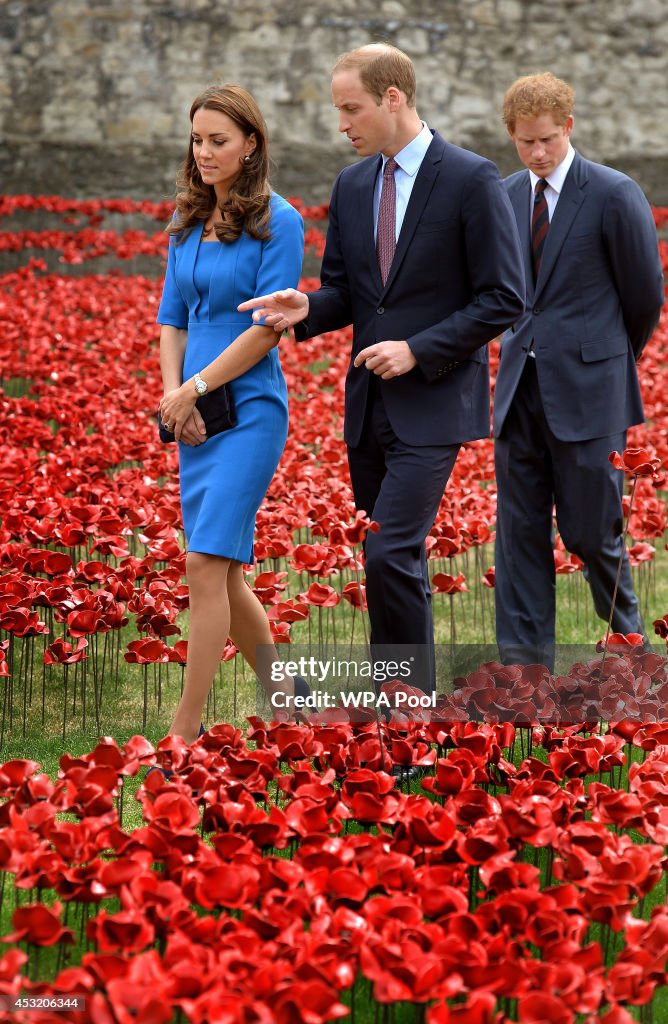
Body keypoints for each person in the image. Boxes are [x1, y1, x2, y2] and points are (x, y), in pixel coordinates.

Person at [239, 43, 525, 694]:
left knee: (389, 551)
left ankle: (406, 708)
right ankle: (394, 716)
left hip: (434, 403)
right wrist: (305, 305)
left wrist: (418, 348)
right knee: (390, 561)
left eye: (352, 108)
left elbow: (504, 298)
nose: (343, 124)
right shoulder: (352, 183)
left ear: (392, 99)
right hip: (367, 409)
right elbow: (347, 291)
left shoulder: (471, 178)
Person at [493, 72, 664, 672]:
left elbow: (644, 296)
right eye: (524, 143)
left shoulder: (615, 193)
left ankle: (632, 651)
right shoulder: (508, 195)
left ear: (568, 126)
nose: (538, 154)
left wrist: (605, 359)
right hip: (518, 392)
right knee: (516, 542)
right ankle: (521, 677)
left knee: (594, 534)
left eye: (546, 140)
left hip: (592, 394)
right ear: (511, 137)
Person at [156, 84, 307, 743]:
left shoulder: (280, 222)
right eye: (198, 139)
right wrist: (174, 398)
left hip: (248, 411)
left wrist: (197, 387)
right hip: (192, 415)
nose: (206, 151)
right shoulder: (187, 221)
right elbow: (172, 320)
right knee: (225, 569)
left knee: (202, 564)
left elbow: (268, 328)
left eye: (219, 140)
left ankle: (183, 731)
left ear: (251, 144)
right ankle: (291, 701)